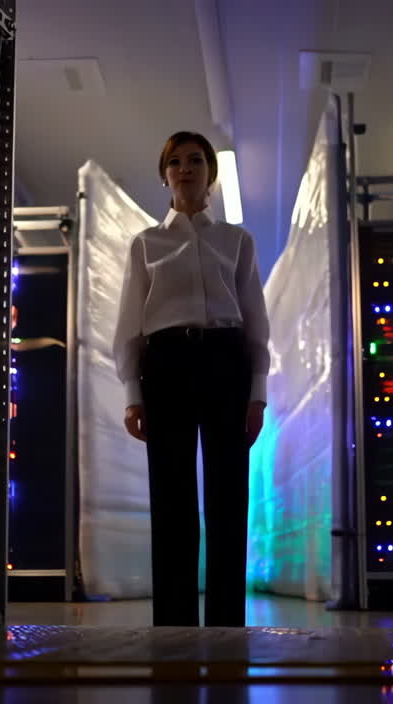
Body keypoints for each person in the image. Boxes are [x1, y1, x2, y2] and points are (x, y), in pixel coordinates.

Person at [112, 131, 270, 627]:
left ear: (210, 175)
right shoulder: (146, 244)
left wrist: (257, 395)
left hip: (226, 363)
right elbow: (129, 326)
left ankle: (226, 624)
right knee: (173, 496)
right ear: (165, 175)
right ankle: (174, 625)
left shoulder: (236, 241)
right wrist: (133, 394)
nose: (185, 168)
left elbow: (255, 321)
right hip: (166, 367)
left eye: (196, 160)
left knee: (228, 495)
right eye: (175, 161)